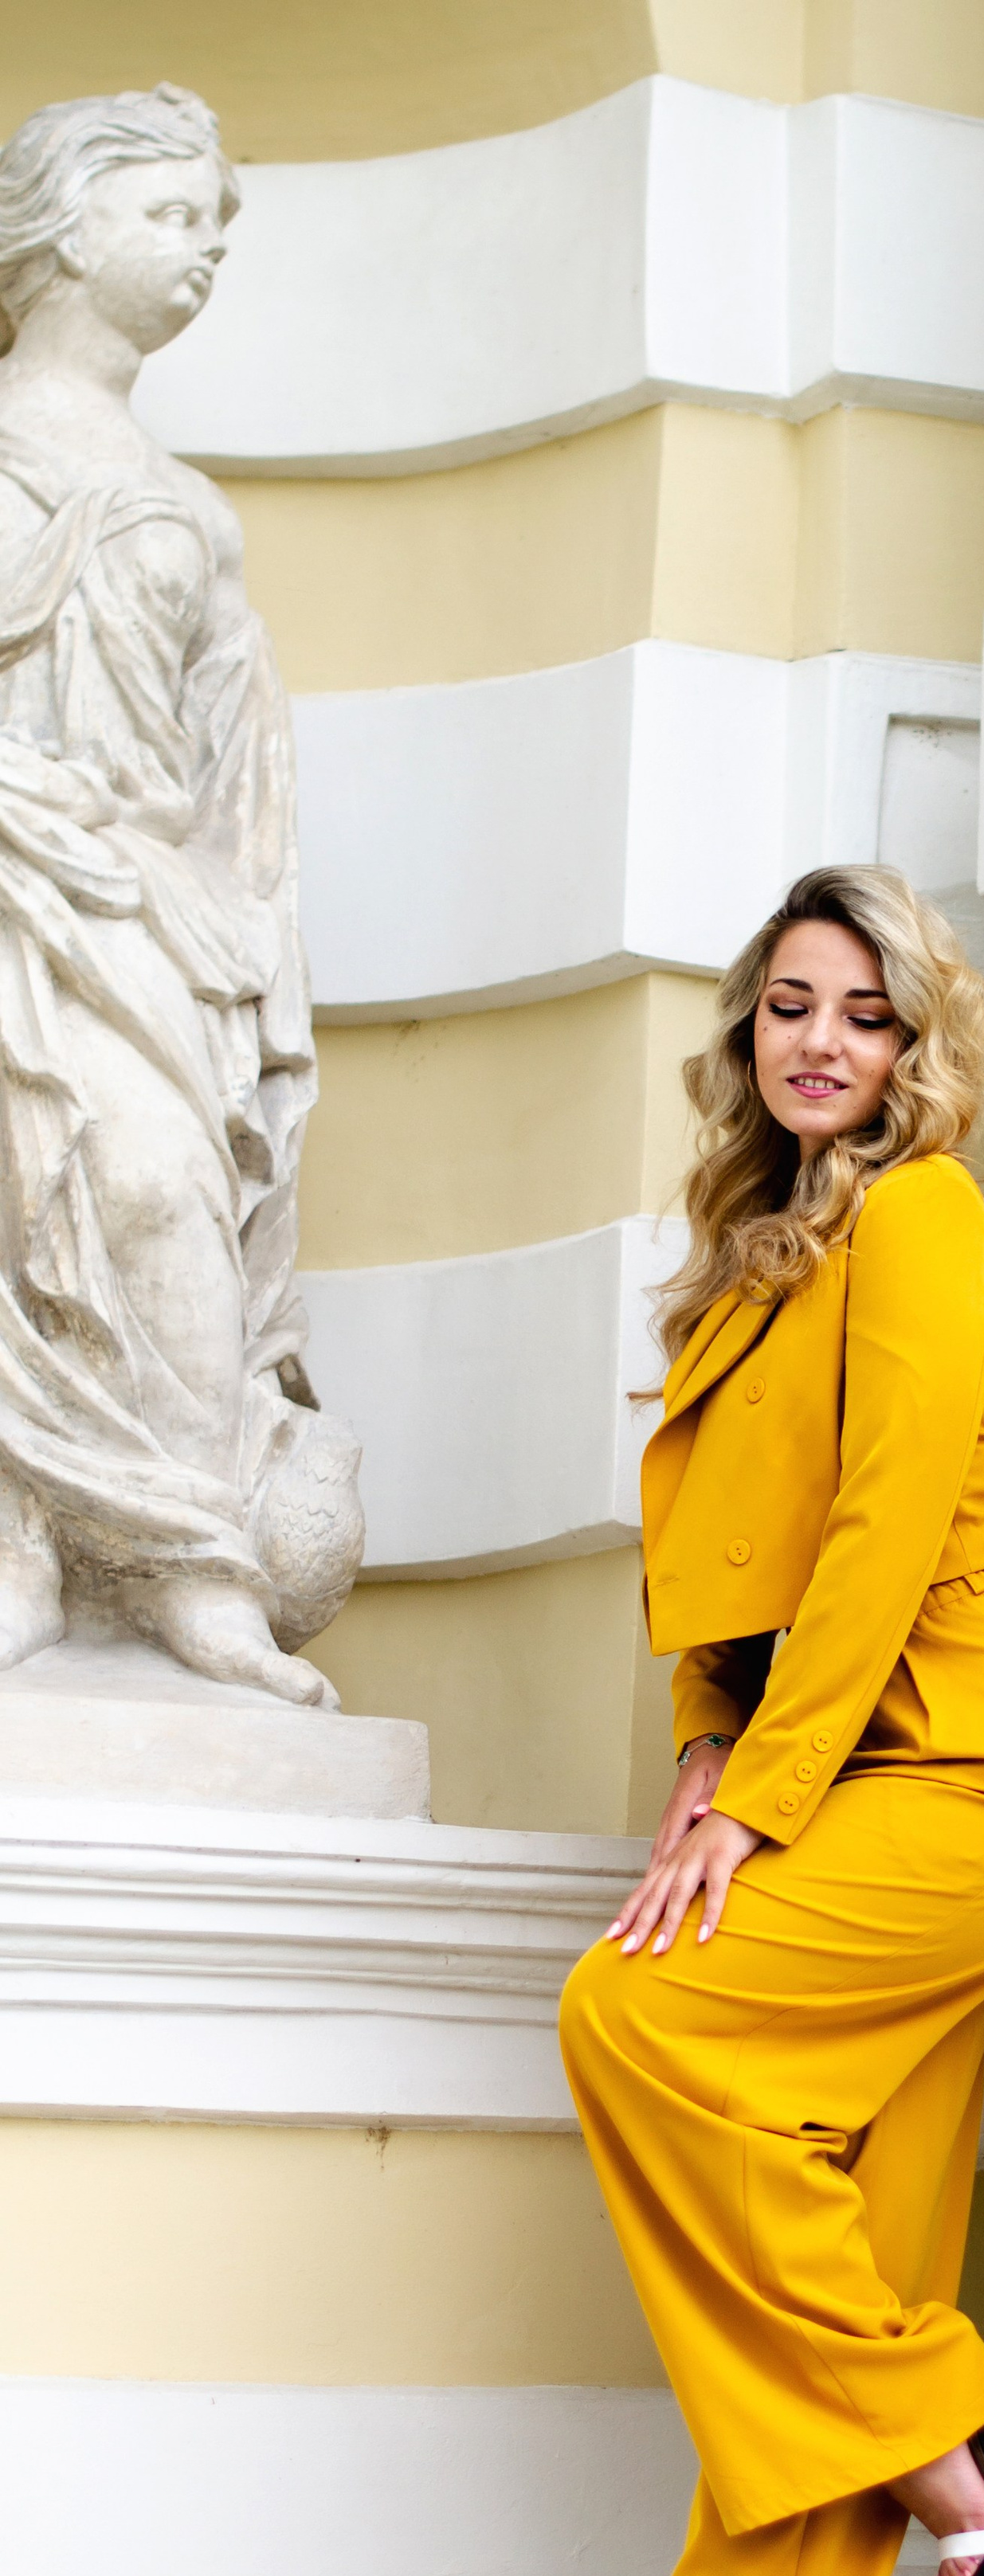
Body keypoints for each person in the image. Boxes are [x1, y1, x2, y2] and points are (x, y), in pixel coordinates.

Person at [558, 862, 984, 2576]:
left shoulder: (922, 1213)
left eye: (865, 1012)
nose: (822, 1041)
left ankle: (939, 2440)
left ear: (917, 1046)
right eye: (792, 1005)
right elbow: (733, 1580)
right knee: (817, 2220)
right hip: (853, 1753)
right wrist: (705, 1754)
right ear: (748, 1034)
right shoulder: (749, 1259)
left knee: (637, 2024)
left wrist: (761, 1796)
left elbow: (887, 1527)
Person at [0, 84, 359, 1701]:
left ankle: (185, 1565)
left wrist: (238, 942)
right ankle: (26, 1554)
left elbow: (234, 779)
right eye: (171, 214)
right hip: (11, 873)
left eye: (218, 223)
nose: (204, 248)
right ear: (67, 227)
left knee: (159, 1195)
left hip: (135, 909)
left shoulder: (193, 506)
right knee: (24, 1201)